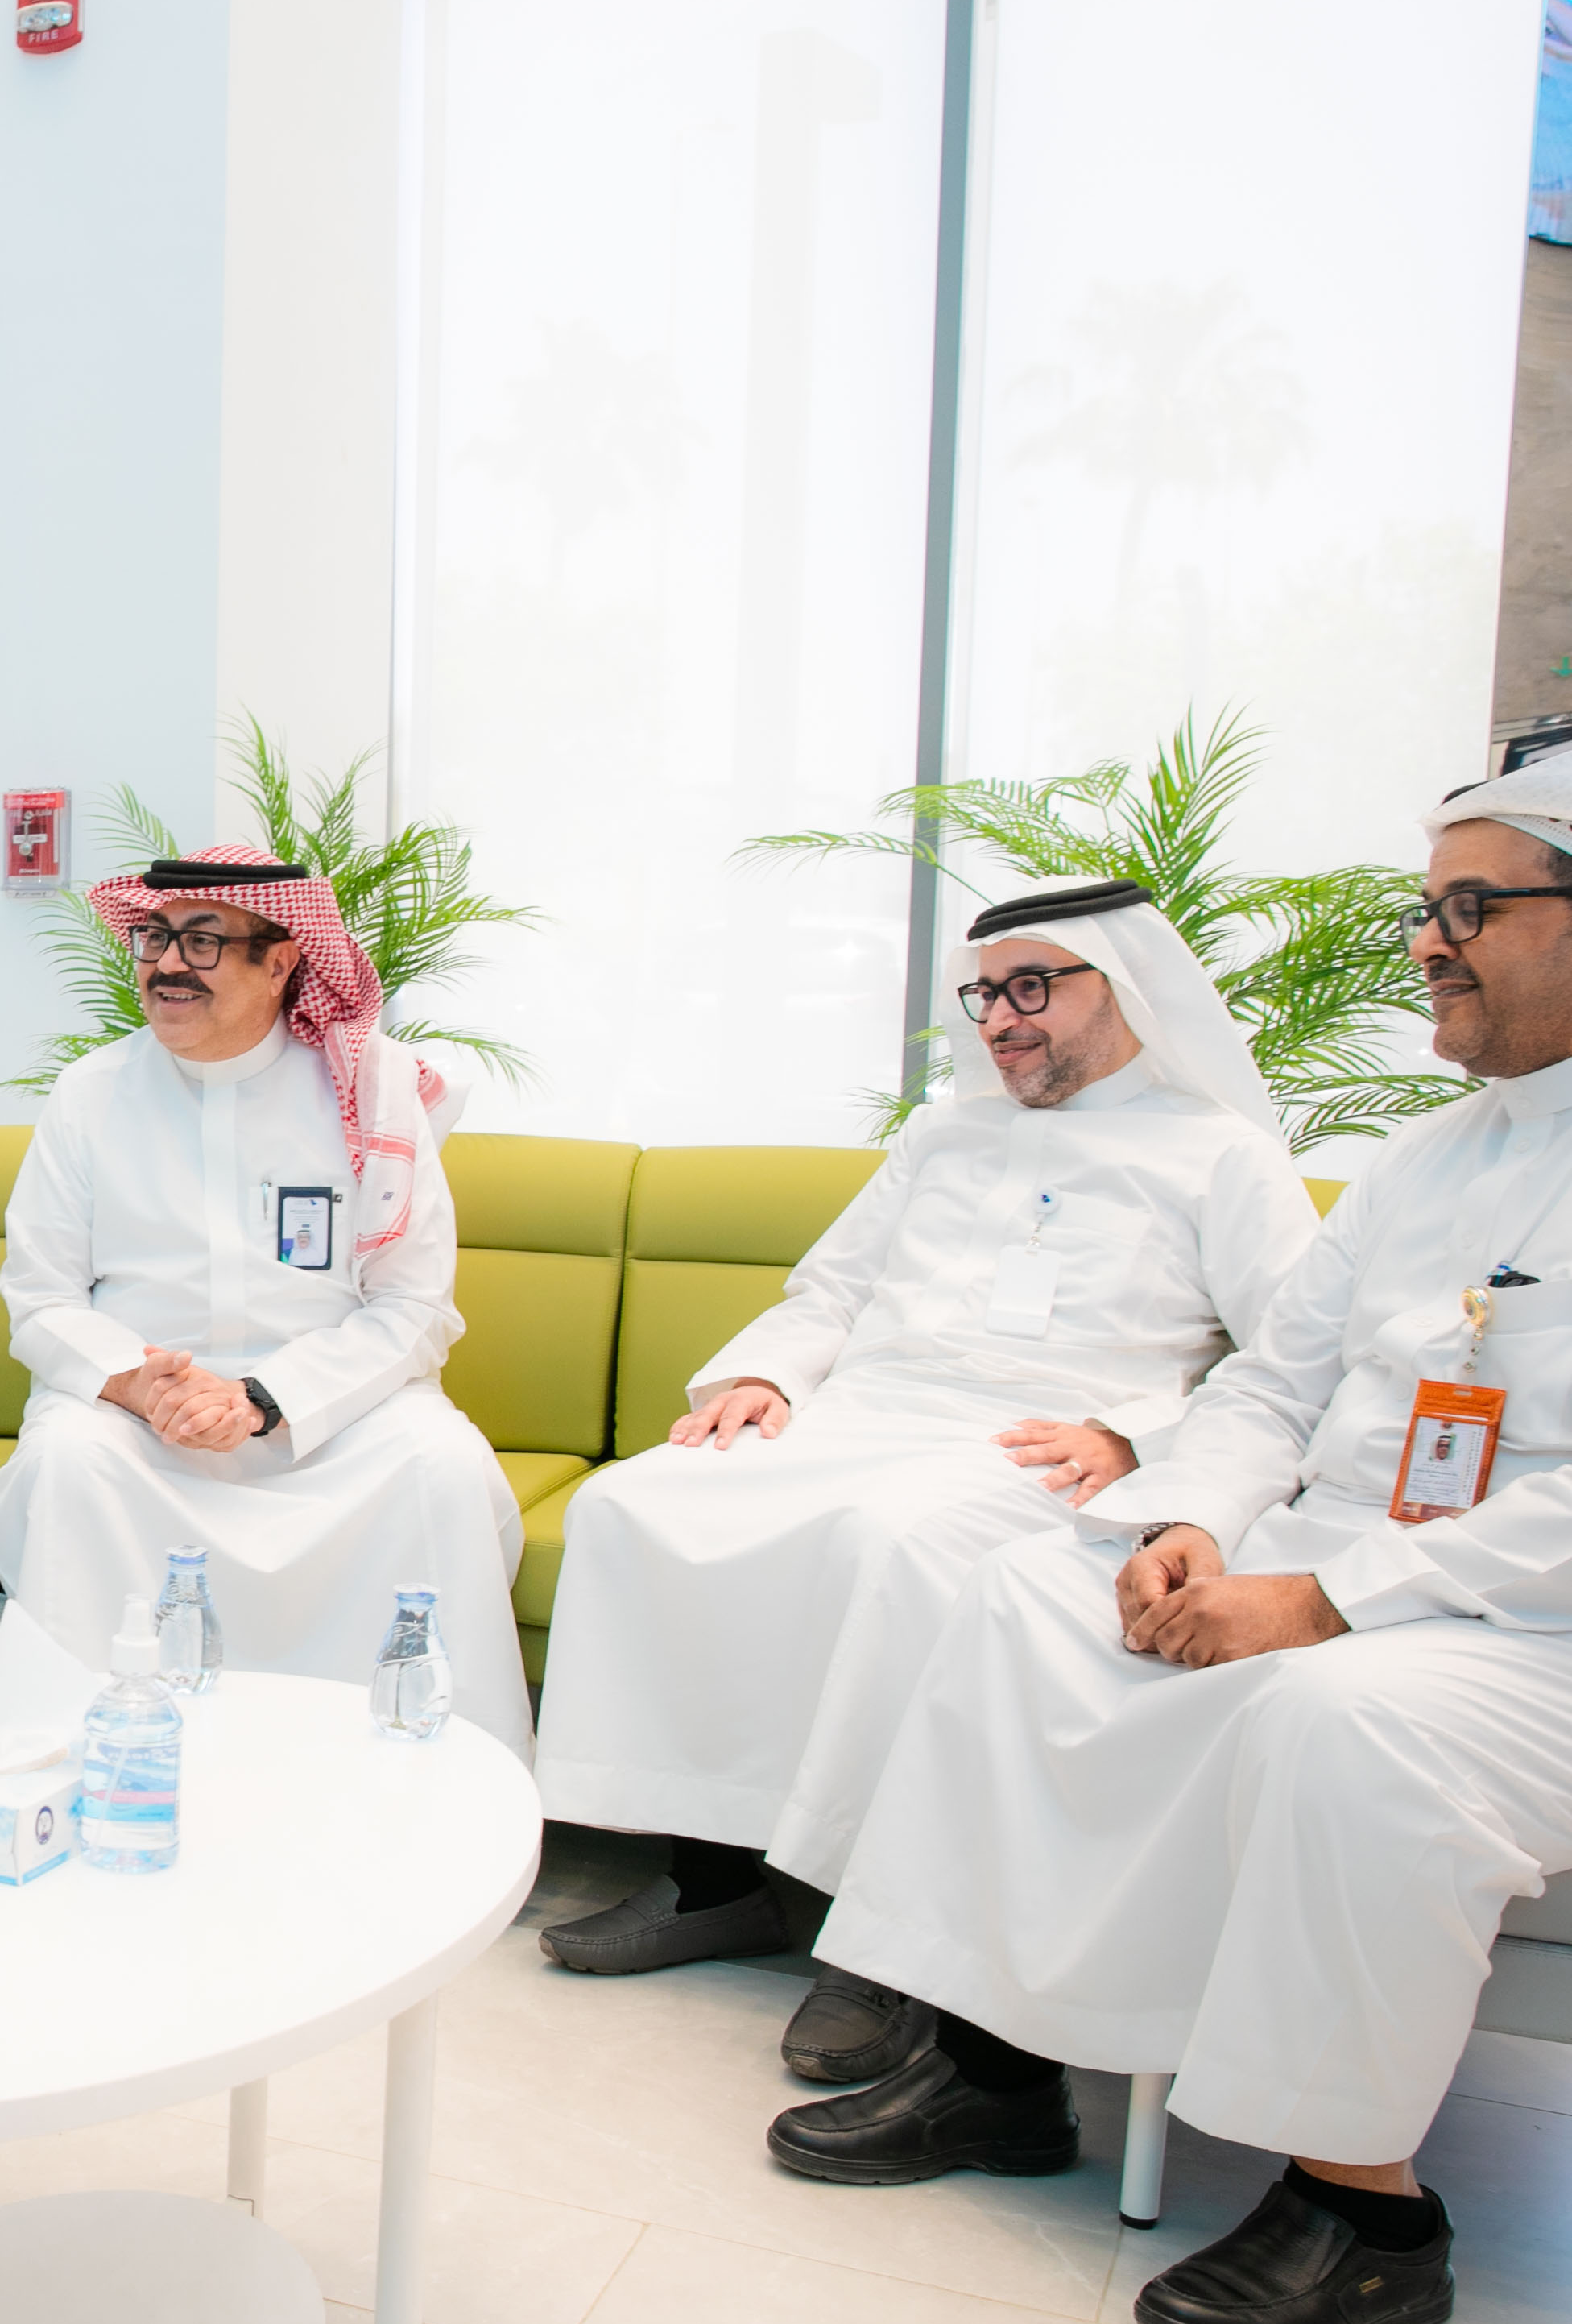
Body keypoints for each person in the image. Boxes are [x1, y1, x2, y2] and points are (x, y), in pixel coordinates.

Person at [768, 737, 1572, 2324]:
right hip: (1386, 1566)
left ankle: (1365, 2218)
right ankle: (992, 2070)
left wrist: (1320, 1602)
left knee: (1355, 1723)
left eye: (1469, 909)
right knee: (1029, 1597)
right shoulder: (1438, 1153)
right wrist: (1191, 1525)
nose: (1428, 943)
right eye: (1430, 908)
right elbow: (1274, 1383)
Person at [530, 882, 1319, 2085]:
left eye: (1032, 989)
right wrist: (767, 1376)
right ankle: (715, 1878)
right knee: (639, 1502)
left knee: (899, 1547)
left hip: (1038, 1448)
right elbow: (834, 1290)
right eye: (985, 994)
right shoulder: (943, 1135)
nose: (999, 1019)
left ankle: (883, 1947)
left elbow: (1286, 1360)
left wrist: (1136, 1435)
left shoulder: (1223, 1155)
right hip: (866, 1412)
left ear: (1125, 989)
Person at [0, 853, 529, 1746]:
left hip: (336, 1420)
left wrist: (262, 1400)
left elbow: (414, 1311)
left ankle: (432, 1768)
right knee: (67, 1462)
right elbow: (40, 1298)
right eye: (154, 938)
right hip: (141, 1421)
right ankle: (84, 1753)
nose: (168, 965)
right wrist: (139, 1385)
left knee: (441, 1467)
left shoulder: (374, 1096)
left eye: (203, 943)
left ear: (280, 964)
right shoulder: (90, 1093)